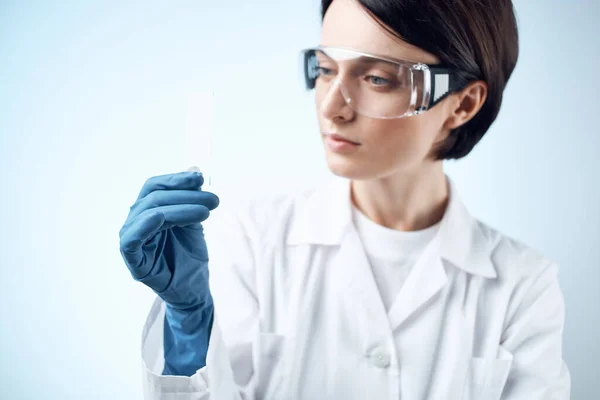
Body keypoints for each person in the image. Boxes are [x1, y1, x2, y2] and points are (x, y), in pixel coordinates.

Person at [119, 0, 571, 398]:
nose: (332, 106)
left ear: (462, 103)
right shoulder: (255, 241)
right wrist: (189, 322)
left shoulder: (521, 287)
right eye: (325, 69)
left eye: (376, 78)